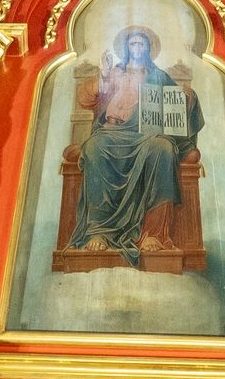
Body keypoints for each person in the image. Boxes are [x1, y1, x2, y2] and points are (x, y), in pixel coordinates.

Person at [68, 27, 200, 265]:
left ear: (148, 49)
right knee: (94, 147)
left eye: (142, 44)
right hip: (112, 132)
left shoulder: (158, 76)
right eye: (133, 44)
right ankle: (100, 230)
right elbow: (85, 99)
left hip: (146, 135)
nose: (137, 48)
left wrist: (186, 95)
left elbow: (178, 103)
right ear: (126, 48)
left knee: (163, 149)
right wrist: (103, 76)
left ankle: (153, 233)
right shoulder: (114, 72)